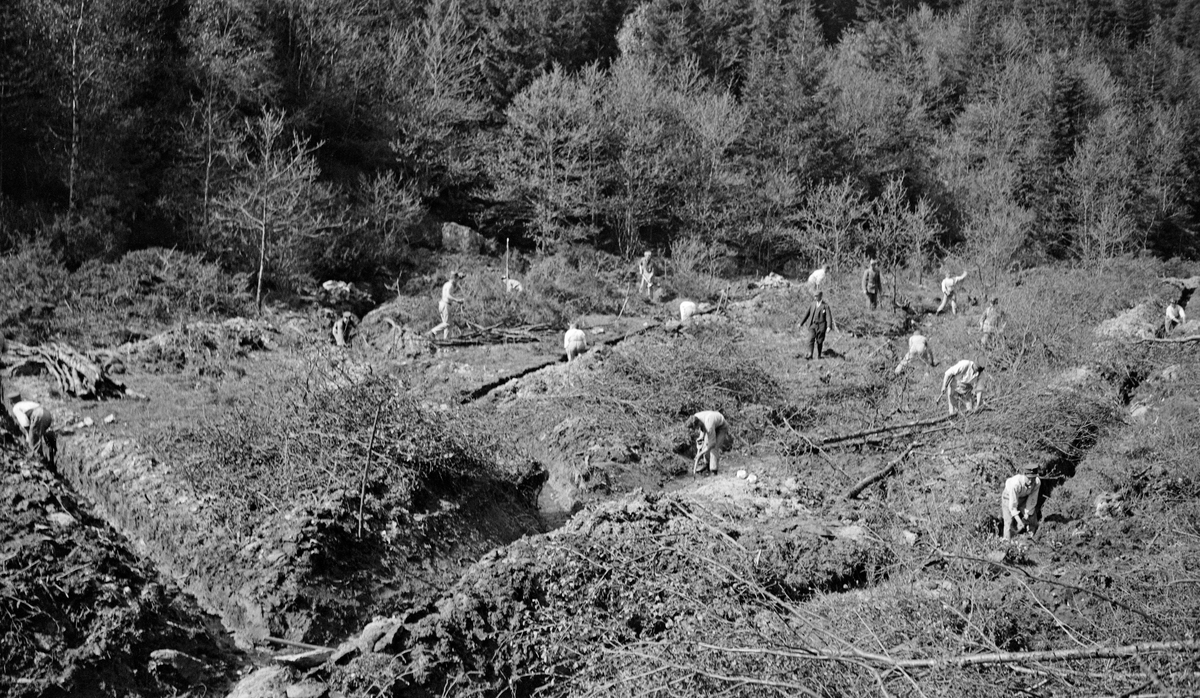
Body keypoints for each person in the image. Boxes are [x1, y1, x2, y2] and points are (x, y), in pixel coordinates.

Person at [4, 392, 53, 463]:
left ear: (11, 402)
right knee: (40, 437)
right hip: (47, 414)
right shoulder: (26, 403)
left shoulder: (16, 407)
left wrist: (28, 436)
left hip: (38, 415)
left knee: (33, 441)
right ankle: (50, 458)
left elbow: (24, 422)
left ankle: (39, 460)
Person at [1002, 464, 1042, 540]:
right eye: (1029, 478)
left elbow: (1032, 500)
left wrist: (1027, 514)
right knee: (1009, 522)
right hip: (1008, 497)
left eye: (1033, 478)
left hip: (1023, 497)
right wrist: (1019, 521)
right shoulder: (1016, 484)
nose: (1031, 481)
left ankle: (1031, 538)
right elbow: (1012, 506)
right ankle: (1007, 542)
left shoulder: (1037, 483)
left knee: (1033, 518)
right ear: (1024, 475)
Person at [686, 410, 728, 475]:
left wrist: (700, 454)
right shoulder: (695, 417)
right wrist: (701, 437)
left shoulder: (709, 424)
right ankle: (707, 466)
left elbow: (712, 443)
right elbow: (702, 427)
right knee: (705, 445)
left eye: (695, 428)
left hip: (721, 427)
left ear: (697, 424)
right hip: (711, 423)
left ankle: (714, 471)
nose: (696, 429)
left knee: (713, 448)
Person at [427, 272, 465, 340]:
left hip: (443, 304)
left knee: (449, 324)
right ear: (454, 278)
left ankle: (446, 339)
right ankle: (433, 332)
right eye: (457, 279)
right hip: (445, 305)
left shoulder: (447, 284)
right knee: (447, 324)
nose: (457, 281)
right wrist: (457, 300)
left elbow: (447, 295)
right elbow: (447, 295)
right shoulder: (450, 285)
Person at [799, 290, 836, 360]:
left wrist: (829, 326)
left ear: (820, 296)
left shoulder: (825, 306)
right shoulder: (812, 304)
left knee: (819, 341)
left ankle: (819, 355)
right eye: (814, 296)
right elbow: (807, 314)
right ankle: (810, 354)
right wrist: (801, 323)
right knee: (810, 339)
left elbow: (828, 316)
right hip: (812, 325)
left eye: (816, 296)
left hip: (821, 326)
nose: (815, 297)